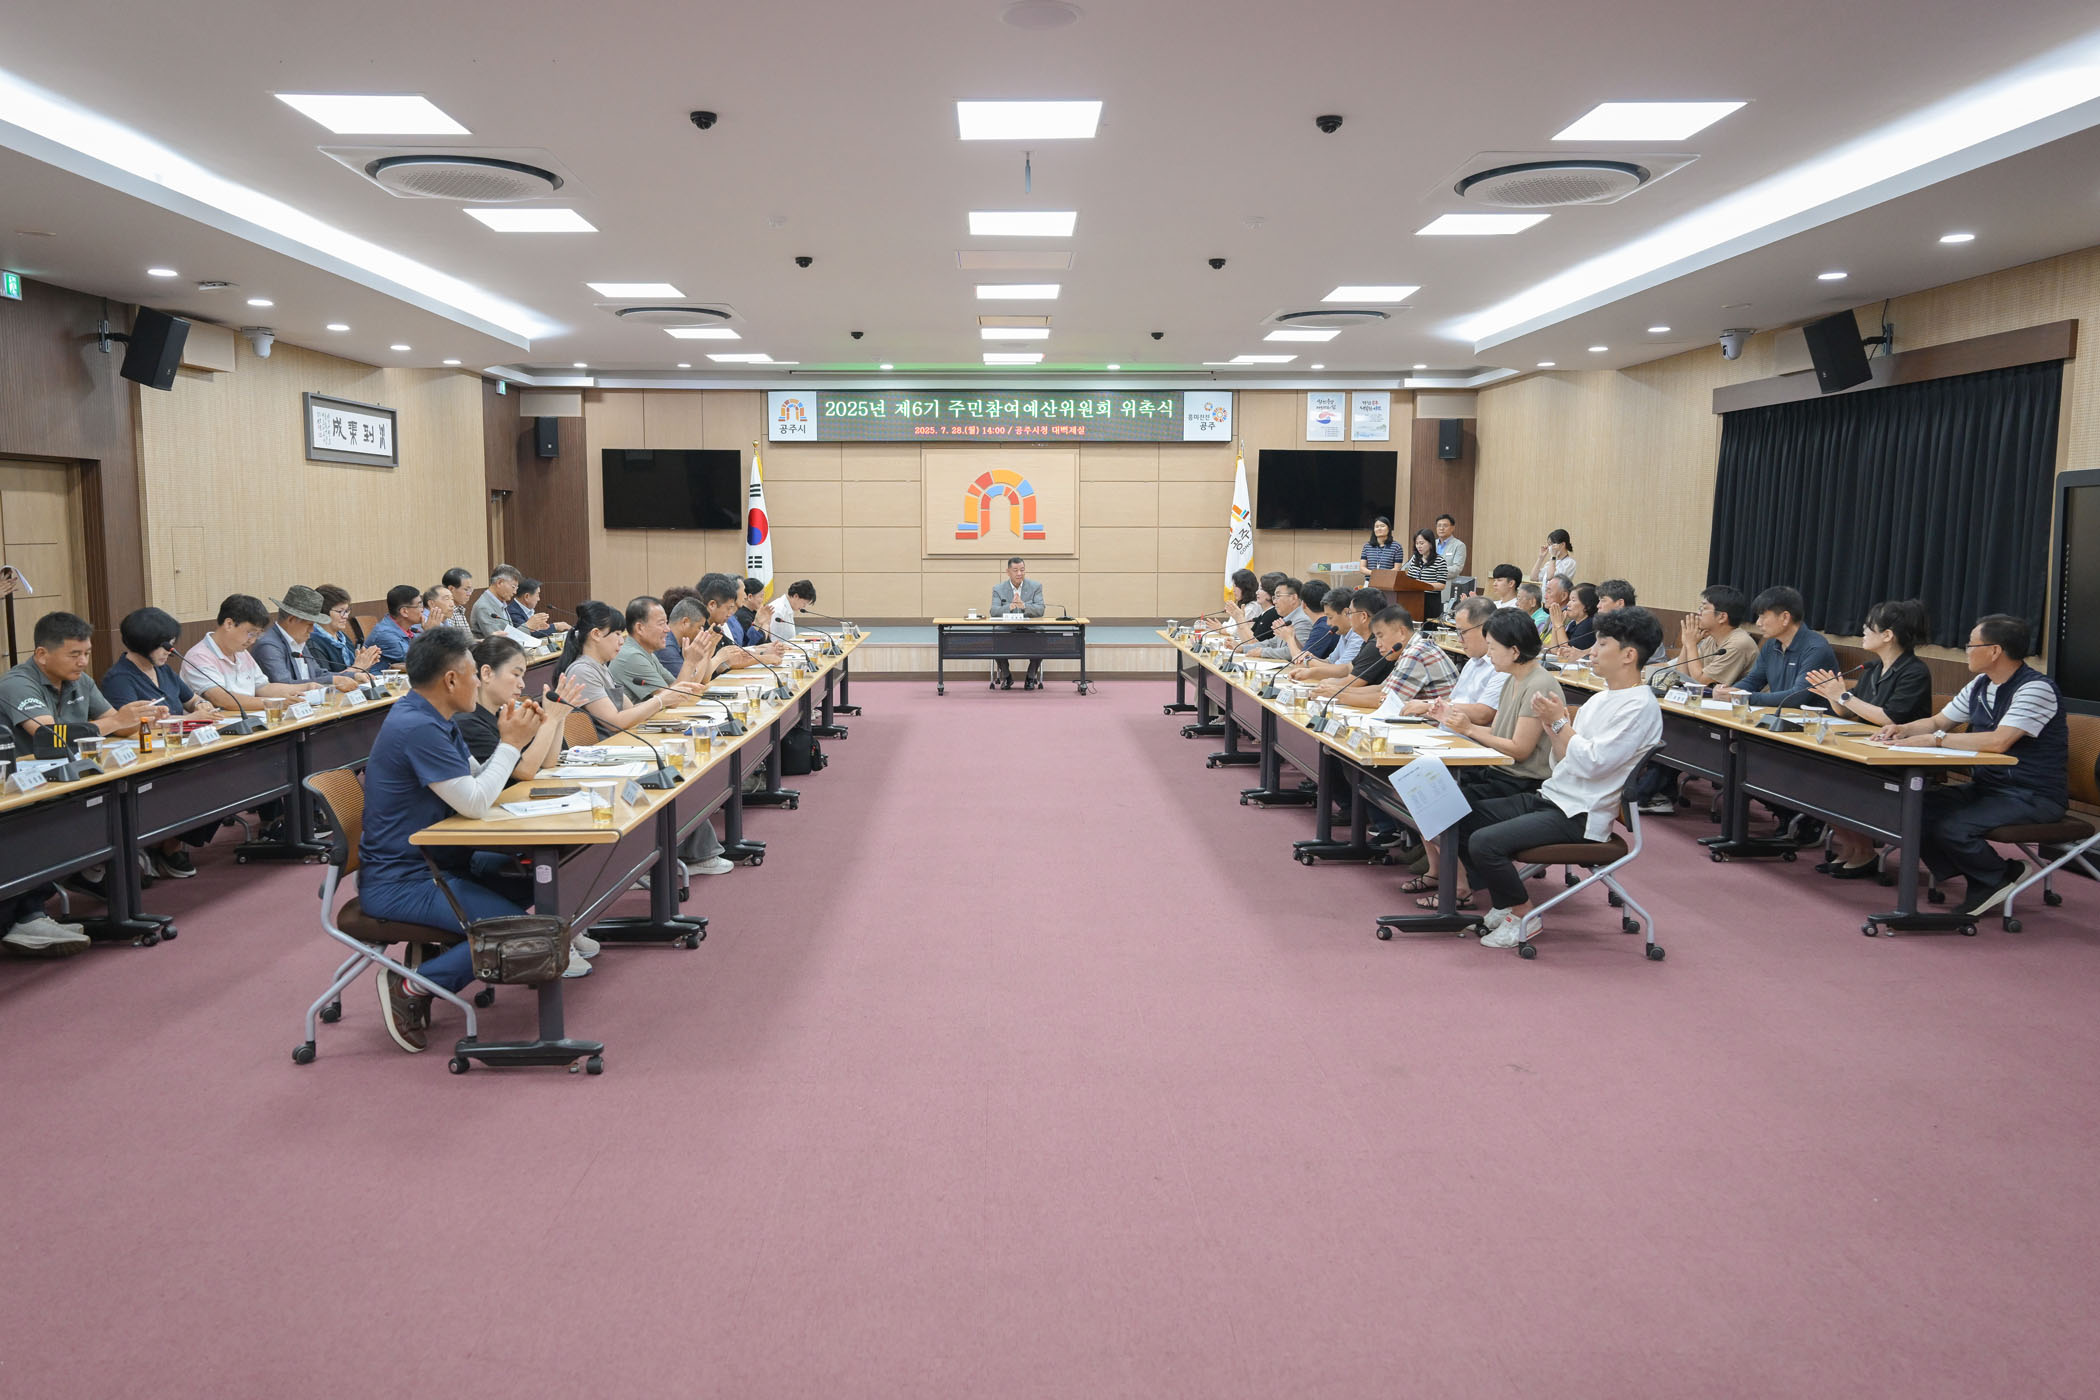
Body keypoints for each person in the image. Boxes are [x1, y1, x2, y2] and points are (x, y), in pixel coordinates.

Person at [362, 628, 588, 1055]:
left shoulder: (434, 718)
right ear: (451, 679)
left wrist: (513, 743)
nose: (477, 682)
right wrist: (511, 744)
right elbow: (477, 802)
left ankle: (435, 958)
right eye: (472, 673)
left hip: (440, 862)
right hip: (403, 879)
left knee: (543, 884)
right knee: (519, 932)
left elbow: (479, 778)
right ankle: (411, 986)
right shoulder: (417, 727)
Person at [1455, 606, 1666, 949]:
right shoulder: (1602, 698)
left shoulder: (1639, 707)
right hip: (1555, 797)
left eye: (1602, 645)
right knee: (1460, 817)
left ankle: (1523, 914)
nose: (1592, 652)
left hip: (1582, 814)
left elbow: (1593, 764)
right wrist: (1555, 728)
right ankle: (1506, 902)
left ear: (1629, 655)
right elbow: (1565, 758)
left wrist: (1557, 724)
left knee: (1484, 842)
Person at [1871, 613, 2069, 915]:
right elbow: (1939, 722)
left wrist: (1936, 741)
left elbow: (1999, 741)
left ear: (1994, 651)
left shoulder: (2035, 689)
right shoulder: (1980, 684)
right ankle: (1991, 872)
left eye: (1971, 645)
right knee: (1915, 807)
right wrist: (1903, 729)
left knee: (1954, 827)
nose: (1966, 651)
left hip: (2032, 794)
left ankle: (1995, 878)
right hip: (1989, 786)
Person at [1, 612, 165, 955]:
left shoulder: (81, 681)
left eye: (86, 653)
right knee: (51, 827)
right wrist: (116, 722)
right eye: (74, 654)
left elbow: (113, 722)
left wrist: (142, 718)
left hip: (64, 784)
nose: (83, 661)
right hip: (20, 792)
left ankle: (36, 911)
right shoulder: (17, 683)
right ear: (42, 654)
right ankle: (28, 916)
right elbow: (49, 736)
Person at [1408, 607, 1562, 907]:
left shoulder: (1539, 685)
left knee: (1443, 807)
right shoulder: (1512, 679)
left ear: (1514, 650)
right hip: (1500, 771)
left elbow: (1520, 749)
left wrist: (1469, 729)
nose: (1489, 654)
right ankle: (1450, 878)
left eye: (1493, 647)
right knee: (1426, 791)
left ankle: (1460, 887)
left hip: (1523, 781)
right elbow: (1499, 730)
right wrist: (1454, 720)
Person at [1801, 598, 1936, 878]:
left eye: (1868, 626)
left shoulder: (1914, 671)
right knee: (1818, 775)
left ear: (1887, 635)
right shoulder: (1872, 669)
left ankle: (1864, 852)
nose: (1862, 630)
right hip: (1867, 747)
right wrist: (1832, 694)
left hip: (1899, 756)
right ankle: (1851, 848)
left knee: (1839, 781)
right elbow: (1849, 712)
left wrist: (1842, 695)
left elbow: (1890, 718)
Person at [102, 607, 229, 880]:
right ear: (143, 643)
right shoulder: (119, 679)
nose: (170, 651)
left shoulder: (164, 671)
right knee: (202, 781)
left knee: (225, 775)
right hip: (148, 757)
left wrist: (202, 705)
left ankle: (169, 842)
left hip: (182, 749)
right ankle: (166, 844)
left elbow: (190, 699)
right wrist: (188, 719)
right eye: (164, 645)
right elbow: (129, 727)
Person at [554, 600, 702, 738]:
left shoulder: (600, 667)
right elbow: (614, 722)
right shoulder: (582, 671)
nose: (621, 641)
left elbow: (630, 709)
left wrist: (661, 701)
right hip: (601, 748)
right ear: (596, 635)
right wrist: (660, 700)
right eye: (617, 634)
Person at [181, 594, 318, 708]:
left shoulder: (241, 652)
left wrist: (306, 687)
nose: (252, 641)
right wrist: (276, 703)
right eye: (251, 633)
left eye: (258, 635)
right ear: (229, 624)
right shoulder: (199, 656)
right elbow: (221, 699)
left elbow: (263, 688)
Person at [1717, 586, 1839, 706]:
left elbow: (1797, 697)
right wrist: (1729, 692)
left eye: (1763, 616)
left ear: (1785, 617)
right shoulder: (1771, 644)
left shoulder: (1815, 649)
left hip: (1813, 717)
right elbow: (1753, 680)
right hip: (1779, 714)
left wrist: (1745, 698)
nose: (1758, 623)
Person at [252, 586, 380, 692]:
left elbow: (318, 673)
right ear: (291, 620)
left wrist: (354, 675)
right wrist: (334, 680)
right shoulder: (269, 646)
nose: (312, 630)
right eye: (309, 624)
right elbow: (285, 684)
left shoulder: (299, 639)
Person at [1334, 604, 1454, 711]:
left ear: (1402, 632)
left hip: (1435, 726)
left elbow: (1387, 701)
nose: (1377, 645)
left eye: (1381, 636)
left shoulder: (1416, 653)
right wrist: (1339, 690)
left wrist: (1340, 696)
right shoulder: (1413, 648)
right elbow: (1383, 688)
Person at [610, 596, 714, 704]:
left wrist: (692, 661)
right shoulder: (632, 657)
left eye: (666, 622)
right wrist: (690, 662)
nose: (667, 629)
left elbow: (676, 688)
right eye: (661, 624)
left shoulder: (648, 653)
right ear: (640, 628)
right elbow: (673, 700)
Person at [1286, 588, 1388, 693]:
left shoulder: (1375, 645)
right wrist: (1311, 673)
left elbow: (1350, 682)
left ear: (1363, 616)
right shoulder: (1368, 641)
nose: (1349, 617)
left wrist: (1325, 682)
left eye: (1350, 613)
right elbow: (1347, 668)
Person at [1673, 585, 1759, 688]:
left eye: (1704, 608)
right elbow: (1682, 676)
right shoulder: (1711, 639)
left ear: (1722, 617)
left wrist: (1691, 644)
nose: (1698, 613)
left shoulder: (1738, 644)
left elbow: (1700, 683)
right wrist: (1687, 643)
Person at [990, 556, 1046, 689]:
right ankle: (1006, 676)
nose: (1019, 573)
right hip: (1007, 628)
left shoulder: (1035, 586)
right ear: (1008, 572)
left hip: (1030, 628)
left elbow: (1040, 609)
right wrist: (1009, 607)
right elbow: (993, 611)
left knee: (1043, 635)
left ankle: (1031, 676)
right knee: (994, 636)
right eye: (1015, 570)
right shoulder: (998, 589)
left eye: (1022, 570)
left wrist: (1024, 606)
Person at [1242, 578, 1311, 660]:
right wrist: (1243, 648)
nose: (1274, 602)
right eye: (1274, 597)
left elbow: (1296, 652)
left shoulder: (1302, 620)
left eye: (1278, 596)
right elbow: (1273, 643)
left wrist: (1262, 652)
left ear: (1293, 598)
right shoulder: (1288, 618)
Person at [471, 565, 543, 640]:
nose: (515, 592)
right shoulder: (484, 607)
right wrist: (527, 627)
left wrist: (531, 628)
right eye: (513, 587)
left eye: (516, 588)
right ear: (499, 582)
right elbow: (498, 640)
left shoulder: (501, 603)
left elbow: (508, 632)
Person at [306, 585, 362, 674]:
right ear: (323, 613)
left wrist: (366, 662)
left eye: (347, 611)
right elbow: (325, 679)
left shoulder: (342, 637)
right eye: (340, 611)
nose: (345, 616)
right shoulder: (313, 642)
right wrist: (358, 667)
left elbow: (357, 670)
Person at [366, 586, 425, 668]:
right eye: (419, 605)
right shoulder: (385, 634)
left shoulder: (407, 629)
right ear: (404, 611)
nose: (422, 609)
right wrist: (431, 632)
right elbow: (419, 659)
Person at [1400, 528, 1448, 622]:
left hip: (1431, 600)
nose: (1419, 546)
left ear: (1430, 543)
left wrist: (1422, 585)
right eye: (1417, 543)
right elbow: (1410, 580)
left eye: (1422, 543)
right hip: (1414, 599)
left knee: (1429, 627)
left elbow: (1441, 585)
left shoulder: (1440, 561)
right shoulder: (1415, 560)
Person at [1432, 514, 1468, 614]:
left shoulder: (1459, 545)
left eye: (1445, 525)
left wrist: (1434, 571)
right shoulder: (1431, 544)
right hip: (1429, 587)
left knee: (1441, 616)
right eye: (1439, 525)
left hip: (1446, 589)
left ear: (1452, 528)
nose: (1441, 528)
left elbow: (1457, 568)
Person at [1548, 582, 1598, 653]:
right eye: (1569, 600)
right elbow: (1554, 650)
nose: (1568, 604)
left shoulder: (1589, 624)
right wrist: (1555, 624)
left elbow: (1566, 652)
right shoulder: (1573, 624)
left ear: (1587, 605)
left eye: (1573, 600)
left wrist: (1559, 625)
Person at [1297, 581, 1338, 660]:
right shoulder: (1323, 623)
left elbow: (1301, 660)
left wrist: (1289, 639)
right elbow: (1305, 652)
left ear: (1304, 604)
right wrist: (1293, 638)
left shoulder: (1322, 627)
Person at [730, 577, 767, 644]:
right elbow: (753, 642)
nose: (745, 596)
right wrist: (766, 623)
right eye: (761, 596)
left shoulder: (754, 612)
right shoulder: (742, 616)